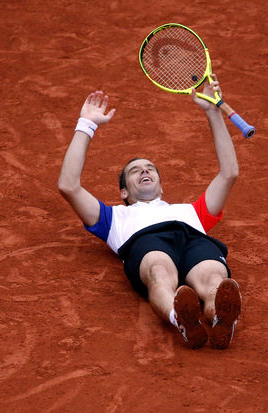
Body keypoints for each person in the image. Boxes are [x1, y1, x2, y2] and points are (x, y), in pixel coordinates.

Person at [57, 75, 242, 350]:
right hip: (147, 243)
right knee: (159, 270)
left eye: (150, 168)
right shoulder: (114, 219)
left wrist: (213, 112)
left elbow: (229, 173)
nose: (144, 170)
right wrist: (86, 125)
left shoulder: (191, 212)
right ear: (124, 193)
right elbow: (68, 185)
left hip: (193, 239)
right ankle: (180, 318)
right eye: (135, 171)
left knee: (215, 279)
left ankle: (220, 319)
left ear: (161, 185)